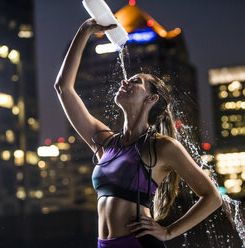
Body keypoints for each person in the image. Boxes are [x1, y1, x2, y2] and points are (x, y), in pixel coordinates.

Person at [54, 18, 222, 248]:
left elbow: (212, 197)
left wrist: (168, 232)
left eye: (135, 81)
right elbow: (63, 88)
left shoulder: (162, 147)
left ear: (151, 99)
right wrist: (85, 30)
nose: (125, 81)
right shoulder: (105, 141)